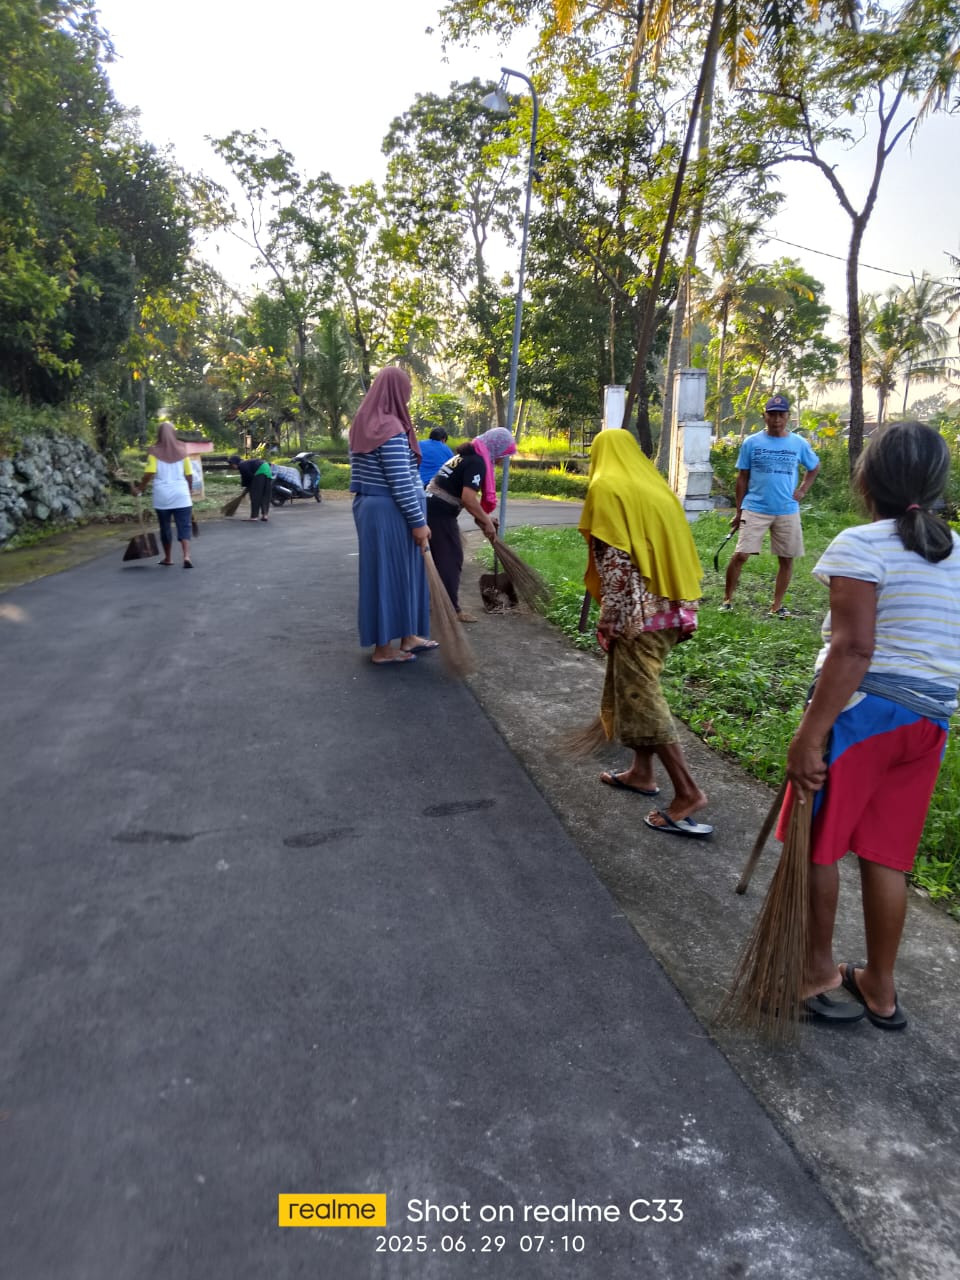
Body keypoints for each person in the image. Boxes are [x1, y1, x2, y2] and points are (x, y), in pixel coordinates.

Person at [781, 422, 960, 1030]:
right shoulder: (955, 552)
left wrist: (810, 734)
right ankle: (879, 989)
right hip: (929, 721)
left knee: (818, 842)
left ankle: (819, 973)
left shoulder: (862, 544)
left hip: (865, 715)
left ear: (867, 479)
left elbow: (853, 650)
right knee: (886, 854)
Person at [579, 430, 711, 837]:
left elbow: (617, 566)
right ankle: (641, 772)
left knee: (644, 700)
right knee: (633, 692)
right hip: (673, 608)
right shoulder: (655, 487)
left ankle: (688, 792)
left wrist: (609, 619)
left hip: (638, 615)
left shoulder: (606, 489)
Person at [349, 366, 436, 664]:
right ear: (397, 391)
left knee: (397, 574)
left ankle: (408, 636)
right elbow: (400, 481)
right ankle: (384, 650)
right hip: (391, 511)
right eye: (407, 390)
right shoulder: (390, 428)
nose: (408, 395)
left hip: (373, 508)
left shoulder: (364, 423)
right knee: (389, 577)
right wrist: (418, 522)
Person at [722, 393, 820, 617]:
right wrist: (739, 511)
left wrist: (803, 489)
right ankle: (727, 599)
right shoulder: (752, 443)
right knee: (741, 555)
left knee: (786, 559)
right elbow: (742, 477)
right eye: (772, 415)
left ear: (788, 417)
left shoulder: (798, 443)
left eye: (781, 415)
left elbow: (814, 467)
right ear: (764, 416)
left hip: (786, 509)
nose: (776, 419)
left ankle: (776, 606)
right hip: (755, 507)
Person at [425, 427, 516, 623]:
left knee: (439, 559)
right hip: (439, 513)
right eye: (503, 454)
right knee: (451, 560)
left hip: (432, 506)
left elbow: (458, 493)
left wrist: (485, 518)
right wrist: (485, 521)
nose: (502, 460)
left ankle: (432, 602)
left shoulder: (468, 456)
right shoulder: (477, 463)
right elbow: (468, 498)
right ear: (495, 447)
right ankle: (451, 610)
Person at [132, 422, 194, 568]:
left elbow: (150, 473)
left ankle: (168, 558)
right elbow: (189, 474)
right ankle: (186, 556)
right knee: (184, 526)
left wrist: (140, 488)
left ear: (159, 434)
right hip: (182, 495)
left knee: (165, 527)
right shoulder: (183, 450)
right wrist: (189, 490)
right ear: (174, 433)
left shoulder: (154, 452)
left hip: (162, 496)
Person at [228, 455, 273, 520]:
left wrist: (247, 488)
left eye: (231, 464)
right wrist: (248, 486)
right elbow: (249, 478)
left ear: (235, 462)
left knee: (255, 495)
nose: (232, 466)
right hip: (267, 469)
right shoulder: (245, 463)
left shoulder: (241, 465)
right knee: (265, 494)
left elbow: (248, 477)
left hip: (260, 471)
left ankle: (254, 516)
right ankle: (265, 515)